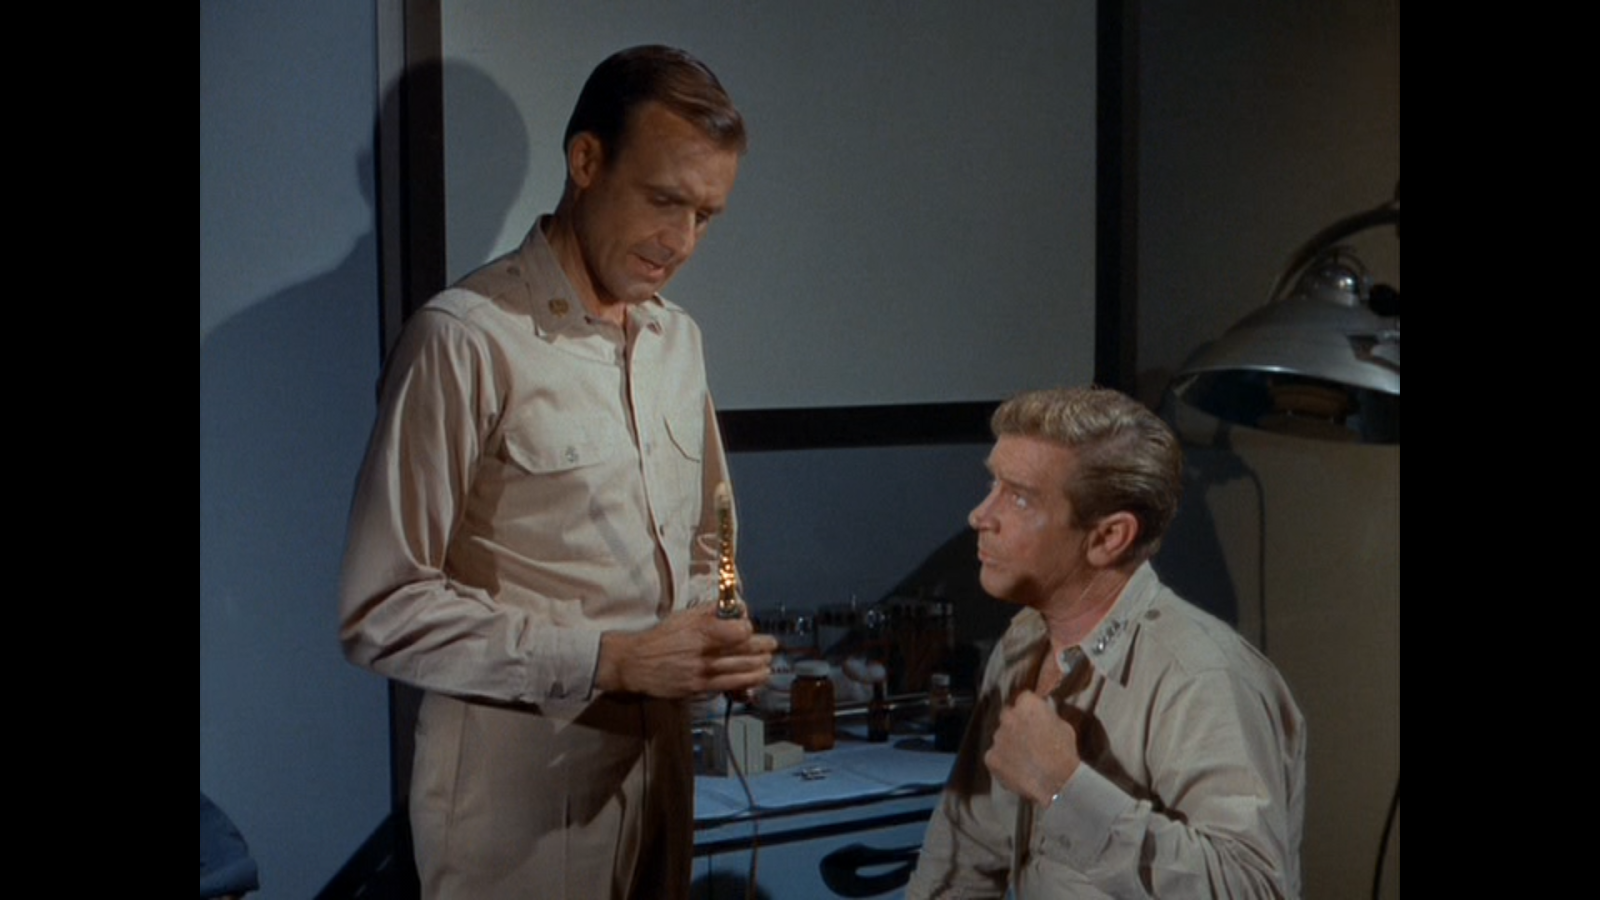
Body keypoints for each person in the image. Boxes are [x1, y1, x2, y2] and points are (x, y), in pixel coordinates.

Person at [338, 45, 777, 900]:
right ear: (585, 161)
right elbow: (380, 608)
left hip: (661, 782)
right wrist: (609, 660)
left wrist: (721, 622)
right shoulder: (465, 340)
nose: (681, 242)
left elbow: (711, 537)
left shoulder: (677, 342)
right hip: (517, 804)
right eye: (664, 201)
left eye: (706, 216)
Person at [905, 386, 1305, 899]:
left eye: (1019, 497)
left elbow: (1253, 888)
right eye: (993, 484)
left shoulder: (1201, 677)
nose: (980, 516)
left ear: (1108, 537)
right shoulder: (1023, 643)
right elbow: (965, 856)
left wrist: (1063, 788)